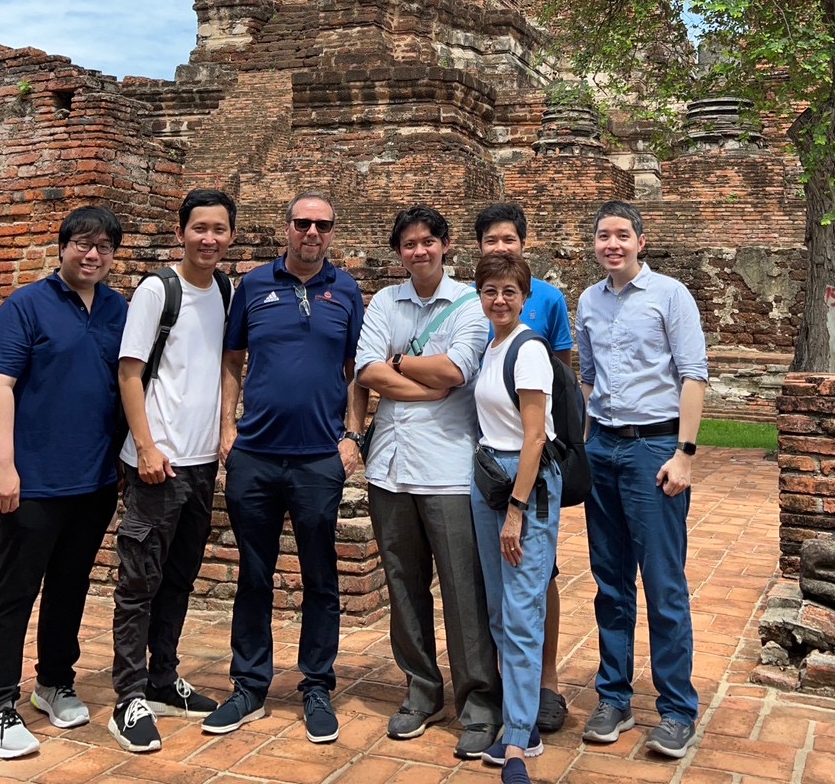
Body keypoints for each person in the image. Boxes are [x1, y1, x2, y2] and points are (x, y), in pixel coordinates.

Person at [203, 191, 365, 745]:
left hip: (319, 457)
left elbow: (355, 370)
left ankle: (316, 684)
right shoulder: (252, 285)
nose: (312, 233)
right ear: (286, 228)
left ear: (332, 231)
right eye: (303, 223)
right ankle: (249, 686)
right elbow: (232, 360)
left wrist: (351, 435)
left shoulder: (345, 290)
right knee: (253, 573)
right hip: (255, 455)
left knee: (321, 574)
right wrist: (228, 427)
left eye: (323, 224)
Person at [0, 206, 127, 761]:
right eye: (83, 243)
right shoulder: (27, 305)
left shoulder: (117, 310)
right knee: (13, 591)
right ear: (62, 247)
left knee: (70, 585)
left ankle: (54, 681)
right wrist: (3, 467)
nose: (92, 254)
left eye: (104, 246)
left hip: (94, 480)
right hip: (33, 479)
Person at [355, 205, 502, 761]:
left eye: (428, 242)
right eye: (409, 244)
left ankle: (480, 702)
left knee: (464, 591)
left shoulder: (470, 302)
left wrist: (399, 366)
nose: (419, 252)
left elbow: (456, 371)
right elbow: (366, 369)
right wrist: (417, 378)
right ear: (400, 252)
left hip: (447, 467)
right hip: (389, 466)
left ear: (445, 246)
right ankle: (421, 689)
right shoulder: (385, 301)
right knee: (403, 587)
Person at [577, 199, 708, 759]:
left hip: (654, 446)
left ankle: (677, 707)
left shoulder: (670, 295)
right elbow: (587, 377)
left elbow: (694, 375)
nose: (613, 244)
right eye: (604, 235)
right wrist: (585, 443)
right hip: (603, 444)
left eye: (622, 235)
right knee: (610, 580)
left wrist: (684, 454)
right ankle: (614, 696)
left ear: (641, 241)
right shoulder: (587, 299)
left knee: (663, 584)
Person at [109, 188, 237, 752]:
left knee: (180, 576)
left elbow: (223, 367)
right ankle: (128, 697)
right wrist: (146, 447)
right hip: (157, 463)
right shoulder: (157, 291)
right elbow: (129, 373)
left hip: (201, 461)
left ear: (230, 235)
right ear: (181, 231)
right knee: (139, 582)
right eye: (199, 228)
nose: (209, 239)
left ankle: (163, 676)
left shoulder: (226, 290)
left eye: (219, 229)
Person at [474, 203, 572, 733]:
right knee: (502, 603)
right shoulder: (488, 340)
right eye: (490, 290)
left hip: (525, 480)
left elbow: (541, 424)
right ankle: (515, 708)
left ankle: (525, 720)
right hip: (490, 473)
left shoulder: (533, 332)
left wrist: (517, 505)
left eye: (509, 292)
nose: (500, 299)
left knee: (524, 602)